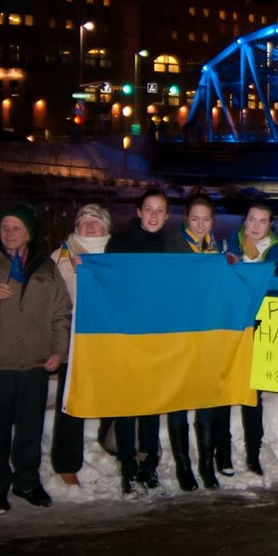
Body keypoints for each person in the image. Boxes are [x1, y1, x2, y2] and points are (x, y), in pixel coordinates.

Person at [0, 204, 72, 514]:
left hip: (35, 363)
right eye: (5, 228)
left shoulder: (46, 268)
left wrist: (58, 350)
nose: (9, 233)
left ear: (28, 233)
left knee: (30, 431)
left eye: (16, 228)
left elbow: (61, 314)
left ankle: (27, 481)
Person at [104, 188, 177, 494]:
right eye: (149, 209)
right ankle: (127, 463)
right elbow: (107, 282)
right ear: (138, 211)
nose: (154, 215)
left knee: (150, 401)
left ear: (167, 215)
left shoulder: (169, 247)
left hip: (157, 335)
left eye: (160, 210)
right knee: (126, 401)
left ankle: (148, 462)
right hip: (126, 334)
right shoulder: (119, 243)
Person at [49, 203, 112, 486]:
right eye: (84, 221)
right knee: (70, 401)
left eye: (95, 222)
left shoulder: (116, 254)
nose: (89, 226)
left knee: (115, 396)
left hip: (109, 338)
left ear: (106, 227)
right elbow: (50, 299)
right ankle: (66, 462)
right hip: (75, 340)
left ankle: (113, 446)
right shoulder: (61, 255)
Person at [168, 194, 227, 491]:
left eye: (206, 219)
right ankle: (183, 468)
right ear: (186, 219)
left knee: (206, 399)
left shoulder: (216, 248)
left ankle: (206, 464)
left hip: (208, 335)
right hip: (179, 335)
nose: (201, 224)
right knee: (178, 400)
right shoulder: (174, 246)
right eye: (195, 219)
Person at [227, 201, 278, 477]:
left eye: (262, 221)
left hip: (260, 324)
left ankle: (253, 451)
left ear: (270, 225)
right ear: (244, 220)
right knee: (223, 386)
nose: (255, 226)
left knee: (253, 391)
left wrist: (270, 275)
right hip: (228, 324)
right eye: (251, 220)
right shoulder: (229, 244)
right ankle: (220, 452)